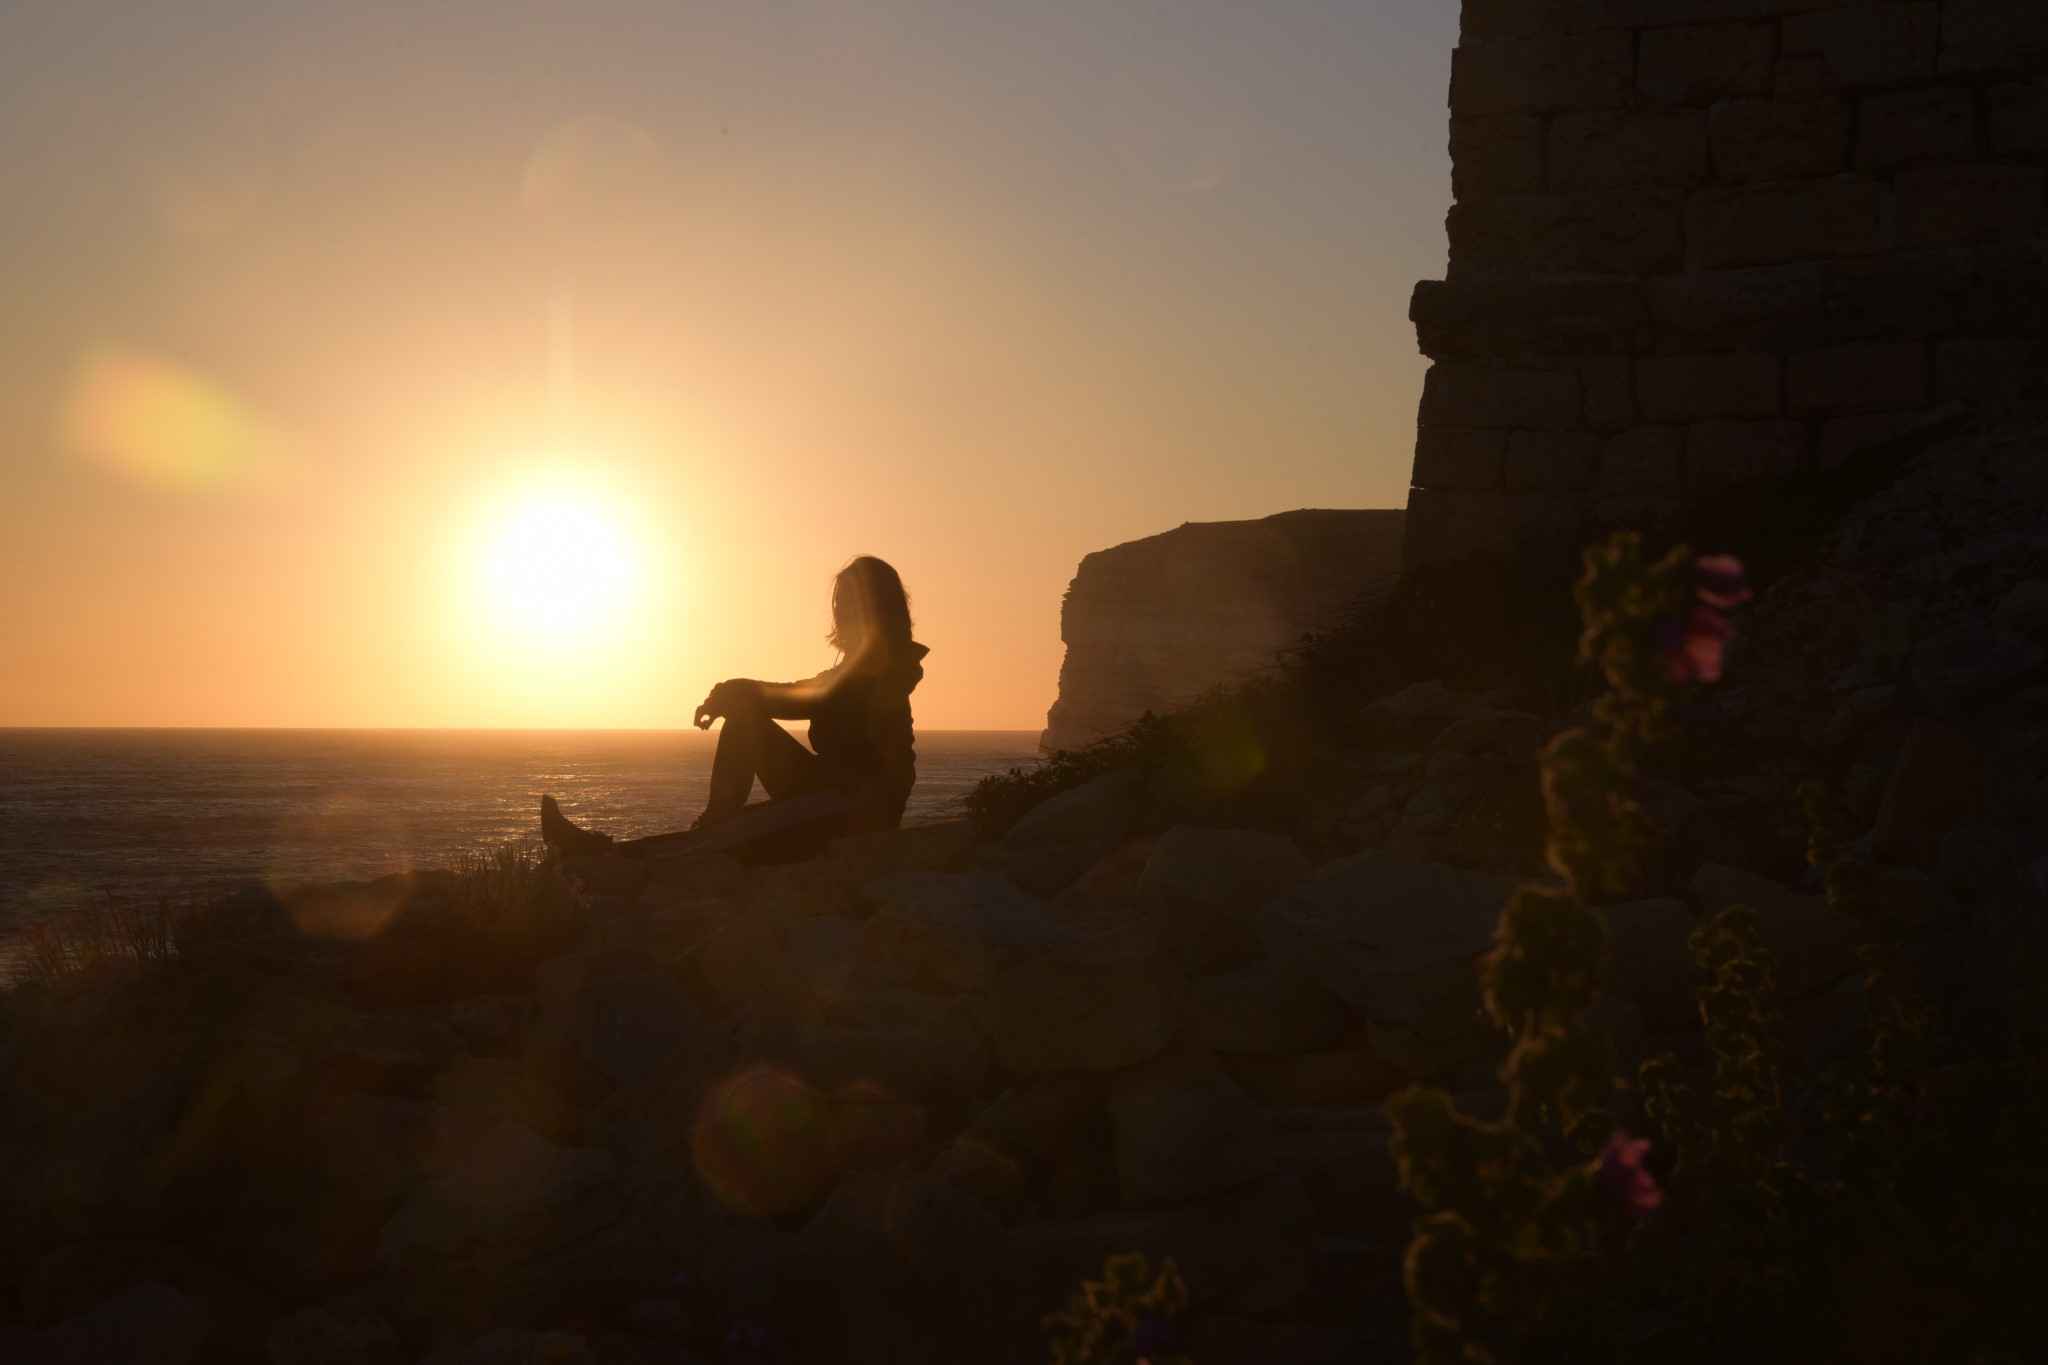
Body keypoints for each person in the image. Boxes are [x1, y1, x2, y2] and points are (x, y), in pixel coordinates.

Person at [541, 555, 928, 862]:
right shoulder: (854, 669)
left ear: (877, 606)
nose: (842, 611)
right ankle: (698, 825)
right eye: (840, 602)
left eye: (851, 601)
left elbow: (812, 698)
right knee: (744, 734)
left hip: (855, 811)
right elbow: (806, 691)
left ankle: (606, 855)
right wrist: (735, 692)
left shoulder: (886, 668)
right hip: (827, 791)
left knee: (735, 835)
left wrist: (735, 691)